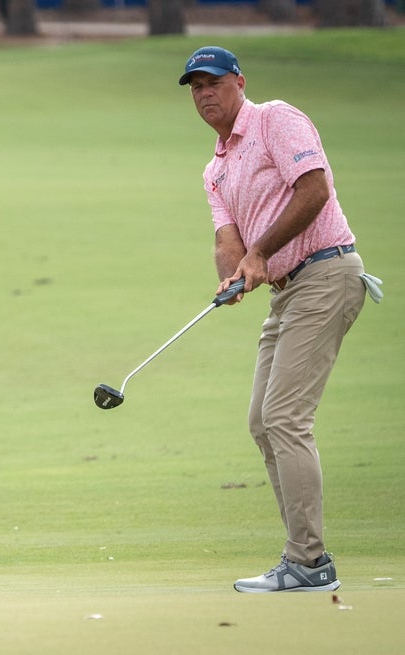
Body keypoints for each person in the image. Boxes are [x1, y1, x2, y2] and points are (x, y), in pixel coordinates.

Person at [179, 47, 382, 593]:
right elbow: (229, 239)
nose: (204, 95)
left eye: (214, 83)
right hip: (287, 292)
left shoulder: (276, 119)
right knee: (262, 421)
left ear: (239, 82)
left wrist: (260, 255)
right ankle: (303, 558)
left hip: (327, 273)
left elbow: (314, 190)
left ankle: (309, 563)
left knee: (286, 418)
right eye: (195, 87)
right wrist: (234, 272)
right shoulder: (216, 169)